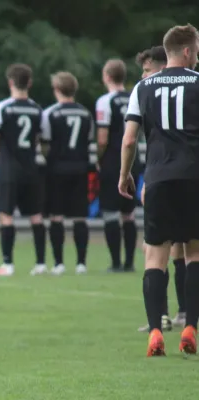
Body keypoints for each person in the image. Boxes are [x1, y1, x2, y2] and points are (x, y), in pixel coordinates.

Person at [119, 23, 199, 356]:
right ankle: (191, 325)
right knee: (195, 252)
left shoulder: (143, 86)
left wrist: (125, 174)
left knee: (156, 256)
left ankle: (155, 330)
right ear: (186, 51)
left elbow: (129, 139)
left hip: (158, 178)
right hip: (194, 177)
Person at [134, 46, 186, 332]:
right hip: (180, 176)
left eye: (147, 69)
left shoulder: (148, 92)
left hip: (164, 178)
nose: (143, 75)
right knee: (180, 247)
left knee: (158, 249)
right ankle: (182, 315)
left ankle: (164, 317)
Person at [0, 64, 47, 277]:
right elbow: (41, 139)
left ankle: (7, 264)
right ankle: (40, 263)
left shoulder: (1, 108)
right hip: (31, 168)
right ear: (29, 83)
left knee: (6, 215)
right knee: (36, 216)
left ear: (10, 82)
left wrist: (2, 157)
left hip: (9, 169)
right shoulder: (37, 109)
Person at [40, 72, 93, 275]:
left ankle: (59, 263)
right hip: (80, 168)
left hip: (57, 169)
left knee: (56, 216)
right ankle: (81, 263)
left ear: (56, 89)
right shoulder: (85, 113)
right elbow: (89, 141)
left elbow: (45, 142)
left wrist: (49, 158)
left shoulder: (50, 113)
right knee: (80, 217)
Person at [96, 59, 138, 273]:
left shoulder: (105, 101)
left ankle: (115, 263)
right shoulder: (135, 96)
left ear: (107, 77)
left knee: (111, 212)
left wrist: (98, 157)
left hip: (113, 160)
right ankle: (130, 262)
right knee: (129, 214)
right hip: (133, 159)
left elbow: (102, 138)